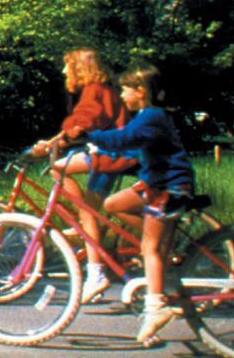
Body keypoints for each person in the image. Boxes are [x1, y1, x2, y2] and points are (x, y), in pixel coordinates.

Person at [85, 66, 195, 345]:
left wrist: (90, 133)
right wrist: (101, 147)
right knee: (113, 204)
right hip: (154, 183)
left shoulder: (152, 116)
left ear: (140, 91)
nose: (121, 94)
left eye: (125, 89)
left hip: (166, 187)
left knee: (150, 249)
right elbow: (130, 145)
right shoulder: (148, 117)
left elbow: (124, 137)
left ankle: (156, 307)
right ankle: (160, 245)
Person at [29, 47, 136, 303]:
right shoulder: (103, 90)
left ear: (80, 68)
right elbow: (82, 125)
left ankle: (96, 272)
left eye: (68, 66)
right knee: (62, 170)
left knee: (81, 200)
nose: (64, 71)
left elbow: (82, 124)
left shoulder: (95, 91)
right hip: (111, 151)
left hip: (112, 155)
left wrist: (53, 143)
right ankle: (84, 217)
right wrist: (57, 141)